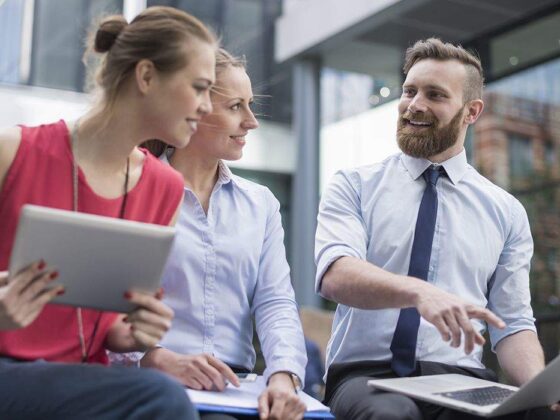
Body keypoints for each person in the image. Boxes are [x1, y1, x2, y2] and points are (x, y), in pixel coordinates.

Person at [315, 38, 558, 420]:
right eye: (409, 90)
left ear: (471, 112)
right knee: (391, 415)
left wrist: (542, 391)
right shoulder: (354, 185)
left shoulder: (505, 211)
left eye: (435, 95)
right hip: (368, 377)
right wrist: (419, 292)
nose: (414, 105)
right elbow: (336, 275)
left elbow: (512, 323)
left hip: (462, 380)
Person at [0, 6, 217, 419]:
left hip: (82, 384)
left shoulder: (164, 188)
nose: (207, 106)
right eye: (200, 87)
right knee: (161, 398)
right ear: (147, 76)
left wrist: (135, 335)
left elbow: (109, 328)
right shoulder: (12, 151)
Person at [139, 48, 308, 420]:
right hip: (155, 384)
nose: (251, 122)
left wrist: (283, 377)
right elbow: (104, 306)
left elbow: (275, 302)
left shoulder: (260, 203)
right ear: (192, 108)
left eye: (251, 105)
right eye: (235, 107)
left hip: (237, 387)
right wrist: (155, 359)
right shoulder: (134, 189)